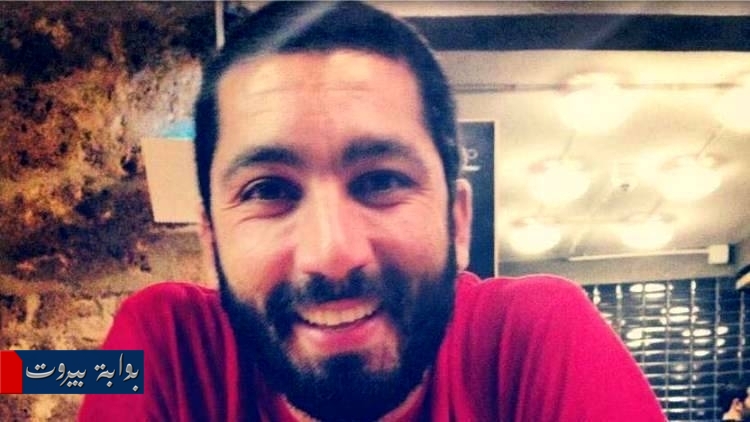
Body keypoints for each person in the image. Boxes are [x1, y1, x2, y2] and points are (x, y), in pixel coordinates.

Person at [79, 2, 665, 421]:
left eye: (382, 181)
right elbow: (34, 372)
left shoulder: (538, 335)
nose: (332, 254)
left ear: (458, 221)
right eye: (268, 190)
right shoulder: (162, 345)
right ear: (211, 241)